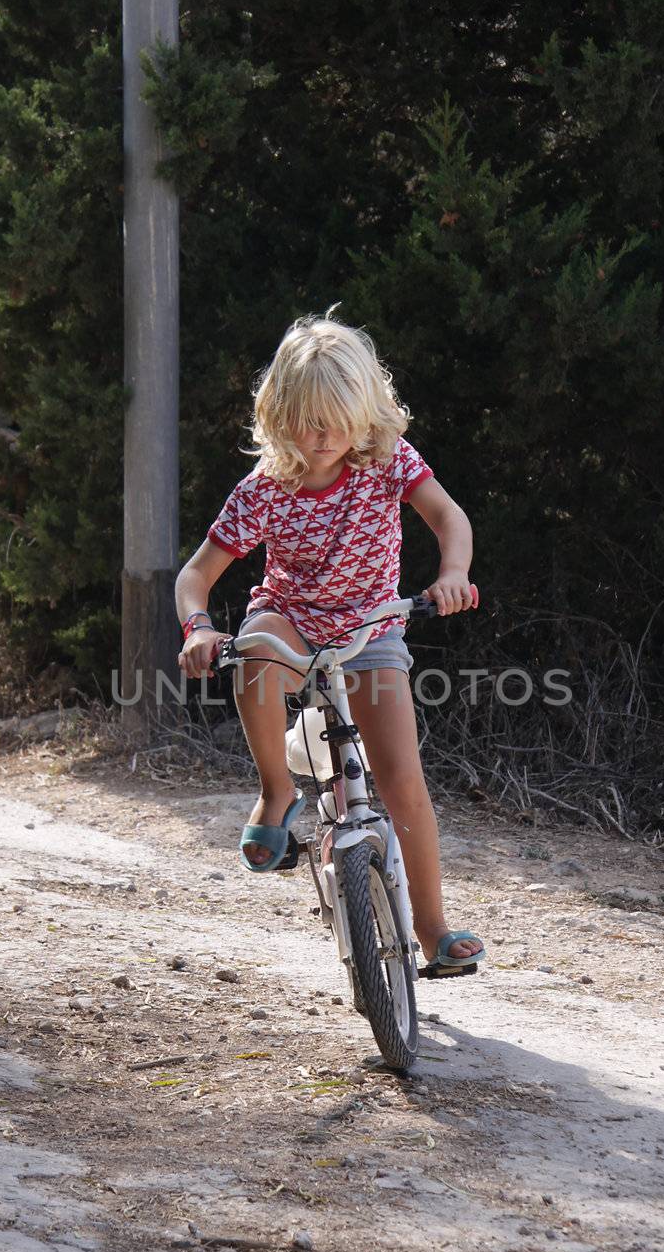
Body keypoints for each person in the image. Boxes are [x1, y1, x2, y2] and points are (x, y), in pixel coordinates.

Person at [174, 308, 484, 975]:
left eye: (336, 422)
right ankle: (275, 790)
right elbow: (196, 575)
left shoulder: (386, 462)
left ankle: (431, 929)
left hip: (372, 627)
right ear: (278, 414)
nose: (320, 437)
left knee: (402, 781)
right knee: (253, 649)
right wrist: (198, 625)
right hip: (290, 621)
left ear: (363, 412)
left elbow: (446, 516)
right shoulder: (264, 489)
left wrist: (453, 573)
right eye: (304, 421)